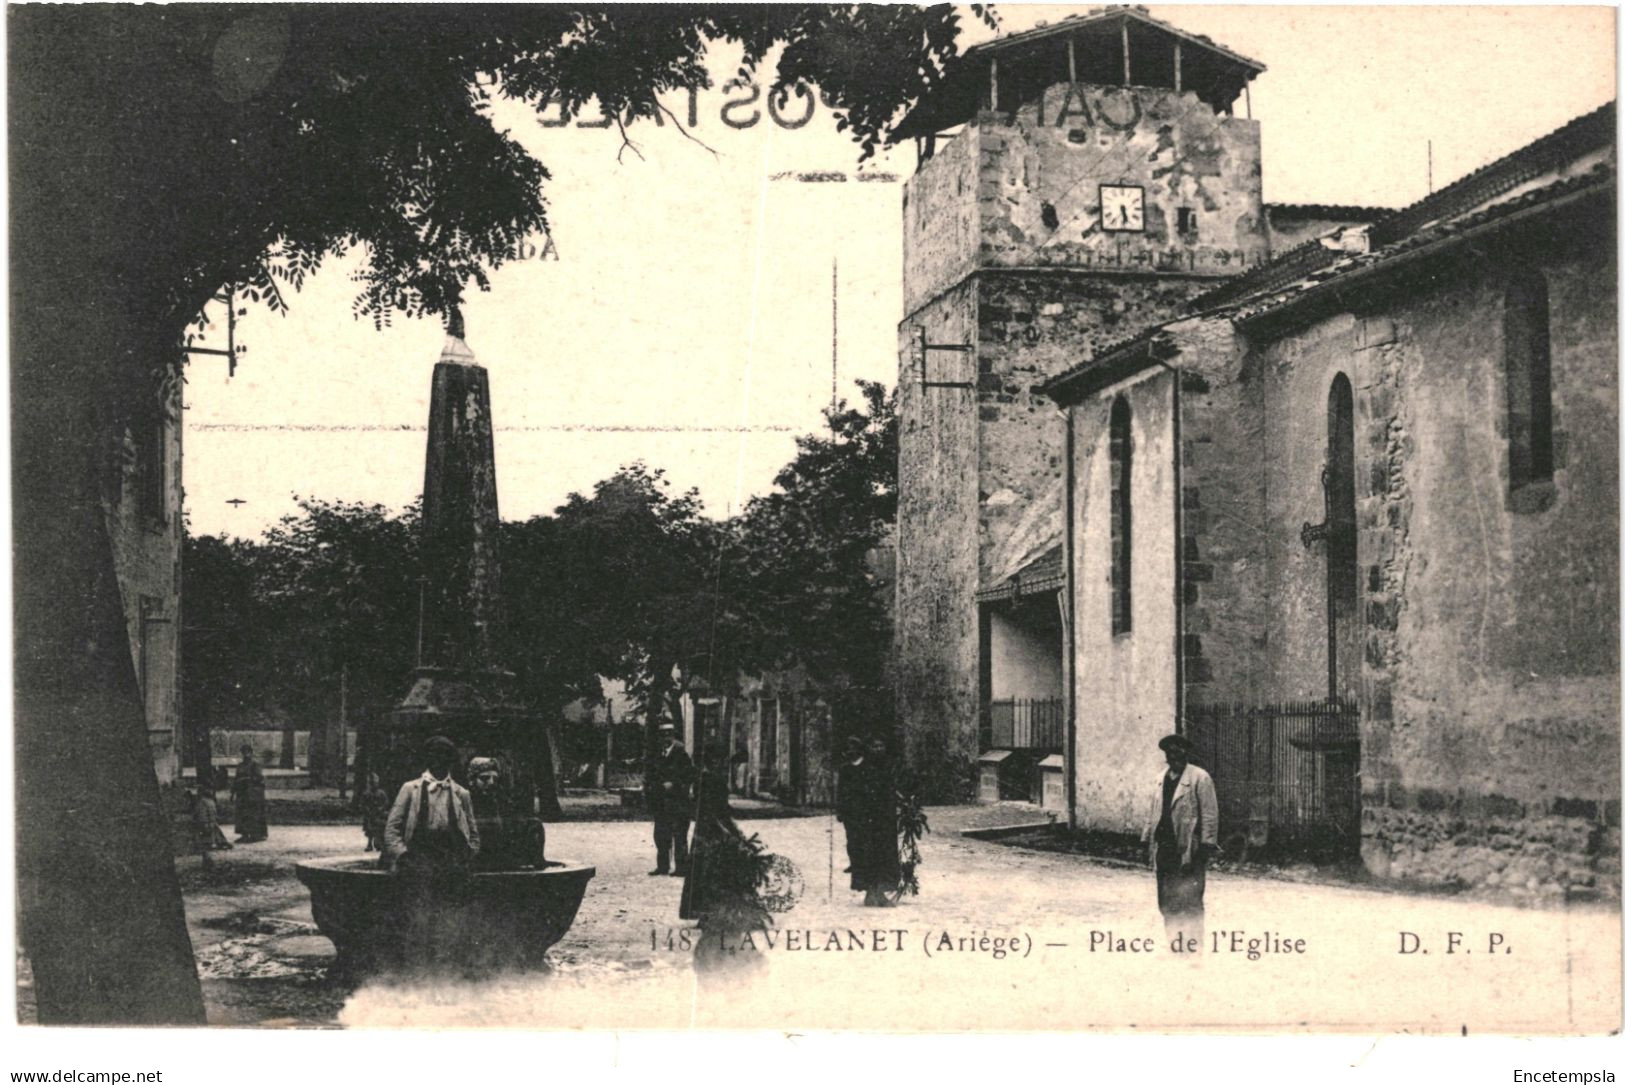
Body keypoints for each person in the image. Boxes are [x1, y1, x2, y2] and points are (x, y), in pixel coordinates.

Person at [680, 742, 770, 970]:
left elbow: (716, 809)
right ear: (715, 761)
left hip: (705, 829)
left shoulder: (702, 778)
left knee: (703, 871)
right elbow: (716, 811)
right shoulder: (712, 780)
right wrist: (733, 834)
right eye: (721, 760)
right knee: (715, 870)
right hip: (713, 831)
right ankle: (710, 913)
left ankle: (702, 911)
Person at [1143, 733, 1219, 951]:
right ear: (1166, 755)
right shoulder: (1160, 779)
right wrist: (1146, 839)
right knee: (1166, 902)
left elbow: (1210, 814)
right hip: (1164, 849)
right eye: (1170, 752)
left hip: (1188, 850)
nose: (1174, 756)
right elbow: (1153, 812)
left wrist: (1206, 846)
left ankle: (1193, 949)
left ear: (1186, 753)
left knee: (1190, 902)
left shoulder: (1199, 778)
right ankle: (1174, 946)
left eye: (1179, 751)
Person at [382, 735, 480, 878]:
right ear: (428, 758)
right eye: (435, 755)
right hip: (418, 857)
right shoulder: (410, 789)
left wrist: (469, 853)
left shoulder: (461, 793)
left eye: (445, 755)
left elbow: (473, 830)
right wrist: (402, 855)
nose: (439, 761)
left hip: (453, 859)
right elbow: (392, 827)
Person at [467, 754, 546, 871]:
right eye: (484, 778)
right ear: (472, 781)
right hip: (478, 850)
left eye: (494, 779)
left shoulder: (500, 797)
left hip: (501, 848)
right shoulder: (465, 798)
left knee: (534, 824)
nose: (491, 782)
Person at [847, 736, 901, 907]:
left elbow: (890, 790)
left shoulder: (888, 766)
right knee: (869, 856)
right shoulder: (863, 768)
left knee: (885, 855)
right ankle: (872, 892)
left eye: (881, 745)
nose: (878, 749)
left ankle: (878, 891)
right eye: (874, 746)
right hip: (867, 821)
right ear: (868, 748)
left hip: (885, 820)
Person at [646, 721, 695, 876]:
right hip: (661, 801)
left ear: (673, 736)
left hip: (678, 801)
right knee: (660, 835)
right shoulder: (658, 753)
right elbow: (652, 774)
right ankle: (663, 866)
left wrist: (674, 784)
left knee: (679, 835)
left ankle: (681, 868)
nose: (665, 738)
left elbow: (689, 775)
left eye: (668, 735)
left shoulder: (681, 753)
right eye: (662, 735)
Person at [834, 737, 866, 875]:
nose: (850, 750)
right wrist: (840, 809)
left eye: (854, 747)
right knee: (851, 837)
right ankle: (854, 863)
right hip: (850, 810)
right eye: (849, 748)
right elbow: (841, 790)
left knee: (864, 836)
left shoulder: (867, 767)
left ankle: (865, 863)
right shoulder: (845, 768)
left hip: (864, 809)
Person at [189, 780, 232, 868]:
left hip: (204, 823)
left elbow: (199, 814)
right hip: (212, 823)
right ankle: (218, 842)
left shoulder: (201, 802)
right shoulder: (210, 801)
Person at [230, 744, 268, 843]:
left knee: (253, 814)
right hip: (242, 793)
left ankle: (256, 834)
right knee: (242, 814)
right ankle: (244, 834)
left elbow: (259, 778)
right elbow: (236, 779)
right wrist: (232, 792)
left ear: (251, 753)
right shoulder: (240, 766)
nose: (246, 755)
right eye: (244, 753)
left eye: (248, 752)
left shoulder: (255, 765)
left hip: (253, 793)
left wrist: (248, 779)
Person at [360, 771, 390, 852]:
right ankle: (369, 844)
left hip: (379, 814)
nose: (374, 785)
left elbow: (386, 802)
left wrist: (381, 808)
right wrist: (367, 810)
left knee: (379, 829)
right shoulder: (366, 793)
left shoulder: (381, 793)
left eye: (375, 783)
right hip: (370, 814)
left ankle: (378, 843)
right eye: (372, 783)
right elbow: (363, 803)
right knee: (369, 829)